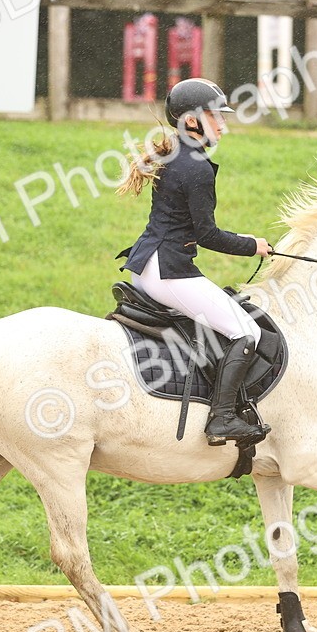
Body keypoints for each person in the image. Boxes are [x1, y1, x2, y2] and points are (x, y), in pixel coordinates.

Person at [116, 78, 271, 446]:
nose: (223, 125)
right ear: (191, 121)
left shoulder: (174, 155)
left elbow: (187, 224)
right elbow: (207, 235)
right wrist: (252, 245)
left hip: (146, 265)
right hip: (169, 273)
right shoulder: (196, 167)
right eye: (216, 116)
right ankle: (222, 419)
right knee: (247, 332)